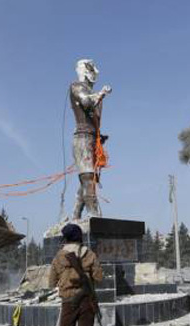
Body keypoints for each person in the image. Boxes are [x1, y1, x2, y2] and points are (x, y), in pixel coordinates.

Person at [48, 223, 103, 326]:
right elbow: (99, 278)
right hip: (87, 301)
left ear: (65, 238)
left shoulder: (59, 256)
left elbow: (51, 282)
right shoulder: (90, 254)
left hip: (68, 302)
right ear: (80, 237)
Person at [70, 59, 112, 220]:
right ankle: (93, 214)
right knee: (88, 177)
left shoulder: (90, 91)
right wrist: (101, 93)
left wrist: (99, 137)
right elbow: (86, 102)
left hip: (91, 139)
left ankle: (75, 215)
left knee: (89, 178)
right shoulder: (77, 87)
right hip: (82, 138)